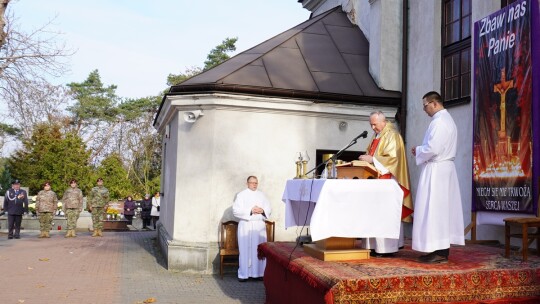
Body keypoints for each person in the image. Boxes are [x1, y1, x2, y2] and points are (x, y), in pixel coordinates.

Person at [411, 91, 465, 264]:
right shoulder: (443, 120)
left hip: (438, 170)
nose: (424, 109)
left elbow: (433, 148)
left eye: (425, 105)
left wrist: (418, 150)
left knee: (436, 210)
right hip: (440, 169)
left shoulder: (440, 122)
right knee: (436, 210)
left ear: (434, 103)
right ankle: (435, 248)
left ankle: (441, 252)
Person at [358, 111, 413, 257]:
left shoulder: (392, 135)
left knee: (385, 214)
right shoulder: (377, 135)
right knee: (373, 213)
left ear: (383, 122)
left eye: (374, 124)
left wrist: (372, 159)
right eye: (371, 125)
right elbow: (371, 154)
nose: (373, 128)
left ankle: (387, 248)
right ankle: (373, 246)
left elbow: (393, 159)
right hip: (375, 180)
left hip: (387, 181)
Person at [232, 176, 271, 282]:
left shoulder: (262, 195)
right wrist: (250, 210)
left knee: (258, 250)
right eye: (252, 182)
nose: (254, 184)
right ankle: (244, 274)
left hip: (259, 226)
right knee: (245, 249)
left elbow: (269, 209)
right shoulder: (241, 195)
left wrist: (262, 210)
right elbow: (235, 211)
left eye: (256, 183)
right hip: (246, 225)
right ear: (247, 183)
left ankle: (258, 273)